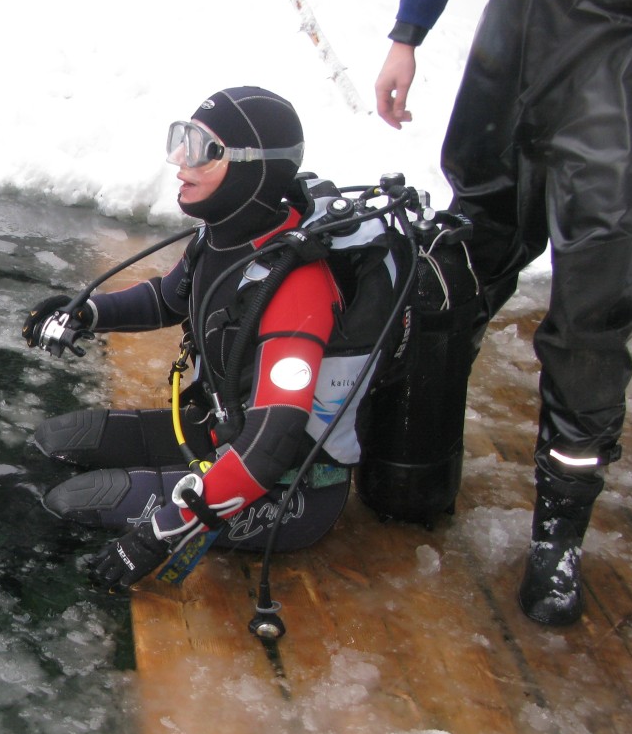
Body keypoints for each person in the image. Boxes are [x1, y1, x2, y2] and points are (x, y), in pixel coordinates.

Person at [373, 0, 632, 625]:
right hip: (514, 40)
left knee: (591, 302)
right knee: (458, 260)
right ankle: (409, 457)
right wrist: (408, 31)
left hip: (624, 55)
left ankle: (559, 534)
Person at [23, 86, 384, 592]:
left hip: (286, 491)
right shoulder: (222, 237)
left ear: (252, 169)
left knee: (74, 502)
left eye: (202, 150)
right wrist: (85, 312)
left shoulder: (296, 287)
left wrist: (158, 533)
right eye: (181, 140)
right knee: (57, 441)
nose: (180, 163)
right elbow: (168, 299)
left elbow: (271, 445)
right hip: (221, 433)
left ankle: (35, 591)